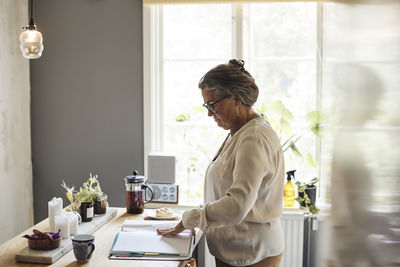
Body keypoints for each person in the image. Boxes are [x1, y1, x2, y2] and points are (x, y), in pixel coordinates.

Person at [157, 59, 285, 267]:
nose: (209, 113)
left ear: (236, 98)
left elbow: (237, 205)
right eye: (206, 105)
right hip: (237, 250)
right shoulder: (239, 131)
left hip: (251, 253)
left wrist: (192, 218)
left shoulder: (253, 138)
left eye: (212, 104)